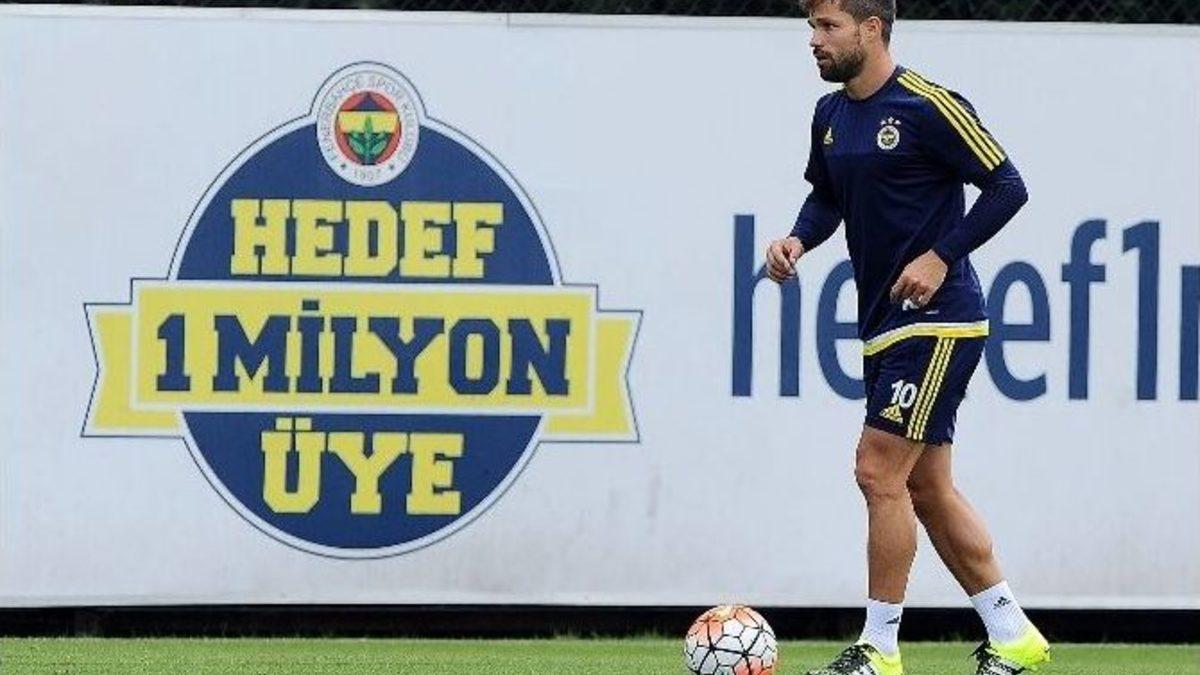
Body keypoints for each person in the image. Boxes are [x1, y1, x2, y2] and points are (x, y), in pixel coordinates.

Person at [765, 1, 1050, 674]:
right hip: (884, 326)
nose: (814, 41)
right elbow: (827, 197)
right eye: (812, 27)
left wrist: (941, 255)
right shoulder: (830, 115)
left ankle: (879, 648)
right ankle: (1014, 635)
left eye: (827, 27)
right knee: (927, 489)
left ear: (871, 29)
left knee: (876, 469)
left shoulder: (928, 105)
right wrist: (797, 239)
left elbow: (1008, 186)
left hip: (940, 319)